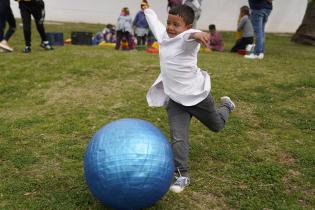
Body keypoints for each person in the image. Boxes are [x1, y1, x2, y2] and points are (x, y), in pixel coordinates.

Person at [144, 5, 235, 193]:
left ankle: (227, 105)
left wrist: (198, 34)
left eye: (176, 25)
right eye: (169, 23)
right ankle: (182, 175)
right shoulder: (164, 36)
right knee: (178, 138)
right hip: (176, 100)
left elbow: (190, 35)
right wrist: (147, 9)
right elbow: (154, 22)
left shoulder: (187, 39)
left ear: (187, 26)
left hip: (197, 97)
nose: (170, 28)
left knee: (217, 125)